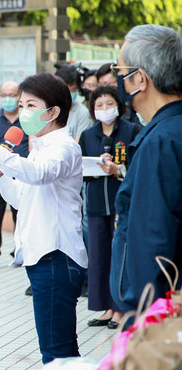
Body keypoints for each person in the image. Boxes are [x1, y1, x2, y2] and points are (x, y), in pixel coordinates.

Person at [0, 72, 87, 364]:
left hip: (57, 256)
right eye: (21, 104)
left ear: (53, 111)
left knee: (56, 351)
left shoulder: (64, 148)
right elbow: (21, 198)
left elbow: (40, 175)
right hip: (43, 256)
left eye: (31, 105)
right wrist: (1, 174)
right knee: (59, 347)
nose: (22, 112)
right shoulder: (38, 148)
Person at [110, 24, 182, 316]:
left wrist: (144, 322)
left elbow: (153, 241)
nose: (118, 79)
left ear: (140, 78)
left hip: (159, 316)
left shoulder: (160, 143)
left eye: (120, 71)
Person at [79, 85, 141, 330]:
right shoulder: (88, 135)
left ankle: (120, 309)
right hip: (95, 205)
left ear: (118, 105)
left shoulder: (131, 130)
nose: (104, 109)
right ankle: (106, 307)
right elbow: (80, 171)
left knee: (120, 258)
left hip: (121, 205)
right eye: (98, 105)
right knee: (99, 257)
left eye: (108, 103)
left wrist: (118, 170)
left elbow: (137, 169)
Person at [0, 81, 29, 271]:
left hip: (22, 175)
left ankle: (22, 251)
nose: (8, 98)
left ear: (19, 96)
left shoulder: (27, 119)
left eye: (12, 94)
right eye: (4, 95)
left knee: (22, 216)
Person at [55, 65, 94, 141]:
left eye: (73, 90)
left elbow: (78, 146)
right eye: (65, 90)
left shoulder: (82, 113)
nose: (68, 94)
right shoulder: (45, 107)